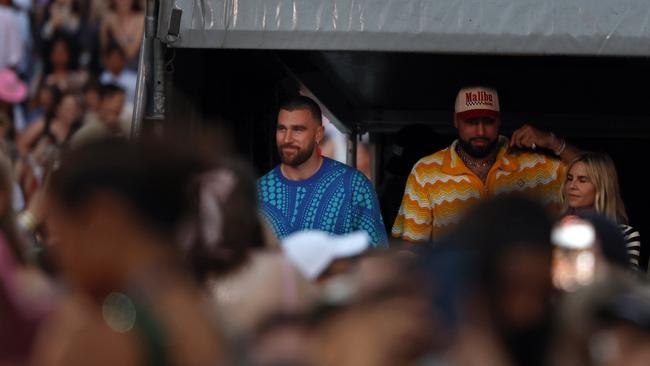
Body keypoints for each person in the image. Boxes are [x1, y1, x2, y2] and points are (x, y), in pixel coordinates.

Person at [30, 138, 227, 366]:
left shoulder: (104, 333)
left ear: (101, 221)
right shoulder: (200, 311)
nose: (56, 253)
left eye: (63, 232)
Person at [392, 86, 581, 243]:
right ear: (456, 120)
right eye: (471, 122)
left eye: (488, 121)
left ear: (499, 121)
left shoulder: (537, 167)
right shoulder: (426, 173)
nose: (480, 130)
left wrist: (552, 141)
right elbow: (412, 251)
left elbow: (600, 175)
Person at [257, 95, 388, 248]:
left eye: (298, 130)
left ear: (318, 134)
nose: (287, 139)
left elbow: (376, 257)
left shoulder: (354, 185)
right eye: (282, 129)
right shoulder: (257, 192)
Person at [562, 152, 644, 271]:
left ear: (602, 187)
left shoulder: (626, 234)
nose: (572, 186)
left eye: (582, 180)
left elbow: (626, 282)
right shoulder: (555, 230)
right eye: (569, 179)